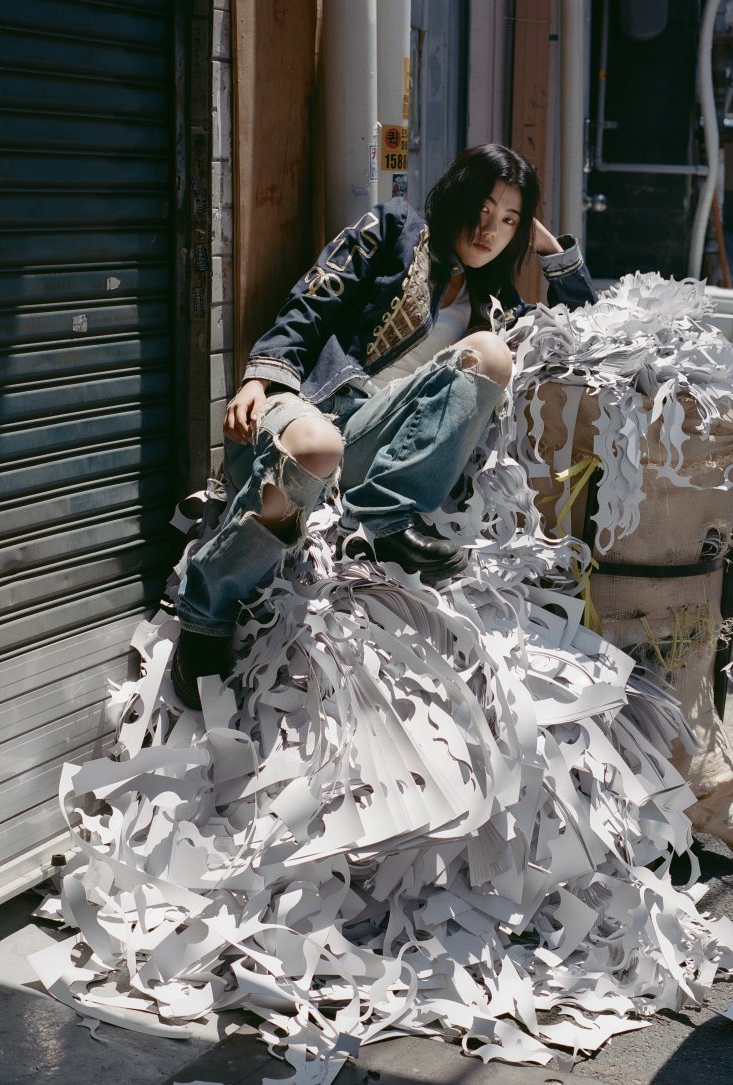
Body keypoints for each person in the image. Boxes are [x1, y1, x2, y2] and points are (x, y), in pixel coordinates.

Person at [171, 143, 596, 709]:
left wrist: (547, 248)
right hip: (314, 411)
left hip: (377, 445)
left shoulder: (494, 299)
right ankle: (205, 616)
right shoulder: (396, 228)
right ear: (459, 195)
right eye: (485, 209)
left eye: (509, 221)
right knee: (319, 446)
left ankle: (383, 519)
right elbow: (311, 301)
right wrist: (258, 377)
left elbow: (587, 332)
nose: (490, 229)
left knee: (492, 354)